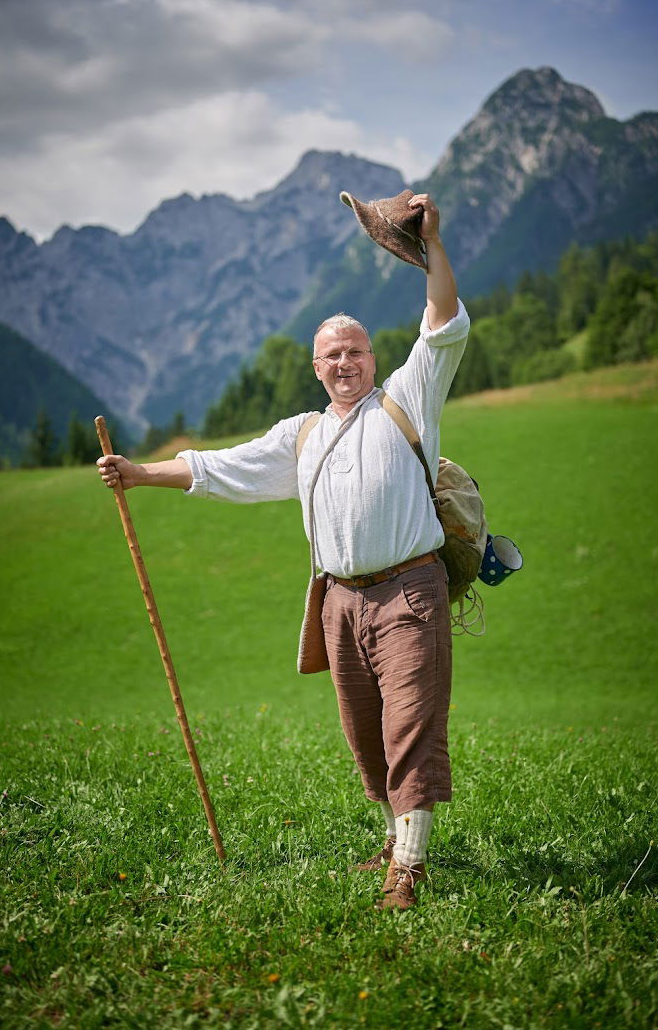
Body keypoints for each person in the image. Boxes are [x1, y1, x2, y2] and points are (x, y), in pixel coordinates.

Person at [98, 193, 470, 910]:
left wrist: (434, 248)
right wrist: (141, 474)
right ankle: (394, 839)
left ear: (372, 357)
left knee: (409, 721)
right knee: (365, 733)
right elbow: (217, 467)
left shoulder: (406, 399)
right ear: (314, 367)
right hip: (337, 599)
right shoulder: (299, 436)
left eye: (355, 351)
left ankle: (411, 867)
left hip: (408, 591)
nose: (344, 363)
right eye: (330, 355)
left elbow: (444, 324)